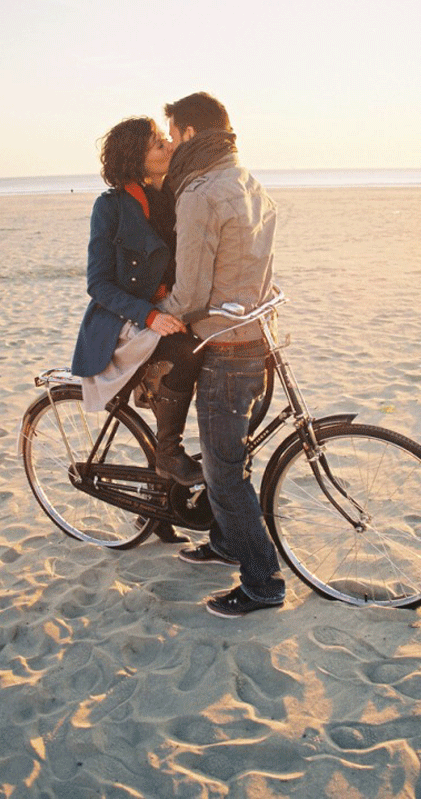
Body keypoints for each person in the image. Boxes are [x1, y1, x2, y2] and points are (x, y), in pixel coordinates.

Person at [158, 92, 286, 617]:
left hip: (226, 347)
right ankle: (227, 543)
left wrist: (149, 312)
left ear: (189, 133)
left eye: (172, 134)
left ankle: (262, 584)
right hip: (258, 337)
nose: (168, 144)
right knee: (231, 457)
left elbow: (188, 295)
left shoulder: (200, 193)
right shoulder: (249, 182)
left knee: (223, 473)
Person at [71, 117, 204, 541]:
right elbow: (97, 283)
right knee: (184, 352)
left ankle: (159, 507)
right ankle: (167, 454)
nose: (167, 145)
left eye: (166, 139)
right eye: (157, 143)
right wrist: (149, 315)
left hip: (166, 311)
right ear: (135, 158)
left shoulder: (177, 196)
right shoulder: (109, 207)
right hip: (124, 322)